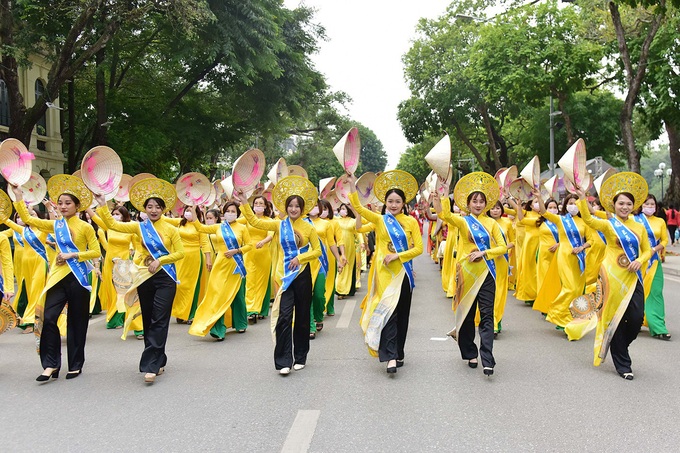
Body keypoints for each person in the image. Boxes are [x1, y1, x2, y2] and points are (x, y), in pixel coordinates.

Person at [11, 176, 101, 382]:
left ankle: (76, 364)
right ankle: (51, 364)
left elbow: (95, 251)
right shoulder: (56, 225)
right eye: (60, 203)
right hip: (58, 276)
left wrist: (73, 254)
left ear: (77, 206)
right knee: (49, 318)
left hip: (78, 276)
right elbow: (30, 220)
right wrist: (18, 196)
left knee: (76, 323)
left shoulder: (85, 227)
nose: (63, 206)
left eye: (68, 203)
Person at [95, 178, 184, 383]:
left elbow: (180, 253)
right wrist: (102, 204)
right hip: (144, 276)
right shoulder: (138, 227)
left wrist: (161, 260)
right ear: (144, 209)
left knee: (159, 320)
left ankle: (151, 365)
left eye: (158, 207)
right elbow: (111, 224)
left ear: (163, 209)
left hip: (165, 277)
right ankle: (158, 358)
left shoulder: (171, 229)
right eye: (150, 207)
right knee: (148, 319)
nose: (153, 210)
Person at [235, 176, 321, 376]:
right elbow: (255, 221)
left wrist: (301, 258)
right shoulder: (278, 225)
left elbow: (317, 251)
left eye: (297, 206)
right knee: (284, 317)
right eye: (290, 206)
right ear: (285, 207)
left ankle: (300, 356)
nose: (293, 209)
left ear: (302, 208)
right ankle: (283, 360)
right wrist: (244, 201)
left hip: (302, 274)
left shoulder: (308, 227)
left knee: (301, 317)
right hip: (284, 276)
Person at [576, 172, 651, 380]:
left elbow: (647, 250)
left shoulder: (639, 227)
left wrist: (640, 260)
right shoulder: (609, 224)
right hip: (611, 276)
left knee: (636, 318)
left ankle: (618, 347)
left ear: (633, 206)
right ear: (614, 205)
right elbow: (589, 219)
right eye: (621, 204)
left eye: (628, 204)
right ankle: (623, 363)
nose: (625, 207)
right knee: (614, 318)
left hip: (633, 277)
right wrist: (583, 197)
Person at [347, 170, 423, 374]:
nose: (394, 205)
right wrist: (354, 186)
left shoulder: (411, 222)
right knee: (389, 313)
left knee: (402, 316)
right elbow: (358, 208)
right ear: (385, 202)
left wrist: (398, 256)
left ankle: (398, 352)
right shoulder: (380, 221)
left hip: (403, 274)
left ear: (404, 203)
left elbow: (419, 248)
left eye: (398, 201)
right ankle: (389, 356)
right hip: (384, 274)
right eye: (390, 201)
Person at [434, 172, 507, 377]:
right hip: (466, 273)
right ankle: (469, 352)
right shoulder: (463, 221)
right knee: (466, 315)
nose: (478, 204)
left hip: (486, 273)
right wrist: (443, 192)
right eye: (474, 201)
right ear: (468, 203)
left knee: (486, 316)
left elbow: (502, 248)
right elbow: (445, 216)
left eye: (481, 201)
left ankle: (487, 359)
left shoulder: (492, 224)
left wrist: (484, 252)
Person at [533, 192, 594, 339]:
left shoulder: (585, 221)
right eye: (570, 203)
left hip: (579, 258)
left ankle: (573, 321)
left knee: (578, 290)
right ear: (566, 205)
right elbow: (544, 212)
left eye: (576, 203)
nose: (573, 206)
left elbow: (591, 240)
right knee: (570, 288)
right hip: (564, 256)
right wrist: (540, 198)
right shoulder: (560, 220)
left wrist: (582, 247)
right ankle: (557, 313)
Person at [188, 202, 251, 340]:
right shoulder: (219, 227)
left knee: (237, 295)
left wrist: (237, 250)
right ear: (223, 212)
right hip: (220, 265)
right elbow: (200, 227)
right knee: (218, 295)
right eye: (227, 210)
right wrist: (194, 210)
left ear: (237, 213)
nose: (230, 213)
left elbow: (250, 245)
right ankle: (218, 329)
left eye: (233, 211)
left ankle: (240, 323)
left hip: (235, 265)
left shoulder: (242, 228)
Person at [636, 195, 671, 340]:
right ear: (641, 205)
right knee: (637, 294)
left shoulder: (660, 221)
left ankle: (658, 328)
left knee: (655, 293)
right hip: (637, 262)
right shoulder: (634, 220)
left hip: (654, 262)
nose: (650, 206)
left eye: (652, 204)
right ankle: (636, 321)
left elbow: (665, 240)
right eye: (647, 204)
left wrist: (654, 249)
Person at [243, 196, 274, 321]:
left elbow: (271, 235)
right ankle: (251, 309)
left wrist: (263, 241)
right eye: (256, 203)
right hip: (249, 253)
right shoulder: (248, 219)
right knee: (250, 281)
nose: (258, 205)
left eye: (261, 203)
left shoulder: (269, 221)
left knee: (262, 281)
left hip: (263, 253)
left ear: (266, 206)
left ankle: (261, 309)